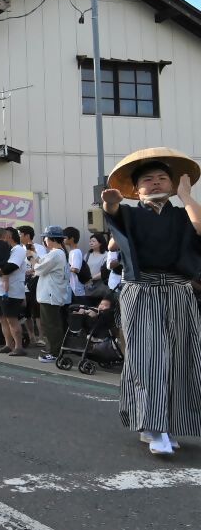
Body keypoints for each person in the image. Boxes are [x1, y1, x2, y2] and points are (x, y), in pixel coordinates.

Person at [102, 147, 201, 455]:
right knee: (148, 356)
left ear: (173, 185)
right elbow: (113, 214)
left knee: (181, 356)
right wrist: (110, 202)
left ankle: (167, 425)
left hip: (178, 290)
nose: (156, 183)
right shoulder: (130, 213)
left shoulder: (183, 212)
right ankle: (153, 426)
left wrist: (186, 197)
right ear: (137, 188)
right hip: (141, 291)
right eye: (148, 179)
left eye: (162, 178)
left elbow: (199, 228)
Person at [33, 226, 70, 363]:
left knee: (51, 325)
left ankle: (54, 353)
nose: (44, 240)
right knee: (52, 324)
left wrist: (31, 259)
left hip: (50, 295)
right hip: (52, 294)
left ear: (51, 239)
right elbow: (42, 264)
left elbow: (39, 269)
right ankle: (54, 350)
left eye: (46, 238)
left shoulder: (56, 253)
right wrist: (34, 257)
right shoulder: (59, 253)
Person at [0, 228, 27, 356]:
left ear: (9, 235)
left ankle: (18, 347)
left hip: (12, 291)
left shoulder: (18, 250)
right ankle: (8, 345)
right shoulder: (4, 249)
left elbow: (11, 267)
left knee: (12, 319)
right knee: (2, 319)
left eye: (4, 235)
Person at [63, 227, 87, 305]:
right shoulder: (72, 252)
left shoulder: (76, 252)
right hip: (73, 287)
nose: (63, 239)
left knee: (79, 310)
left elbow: (76, 269)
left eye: (65, 237)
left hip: (77, 288)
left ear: (72, 239)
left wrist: (65, 268)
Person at [85, 233, 108, 301]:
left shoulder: (106, 255)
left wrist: (92, 278)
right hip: (88, 287)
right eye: (90, 241)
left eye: (93, 241)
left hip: (101, 287)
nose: (91, 243)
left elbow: (105, 271)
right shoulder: (87, 255)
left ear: (100, 243)